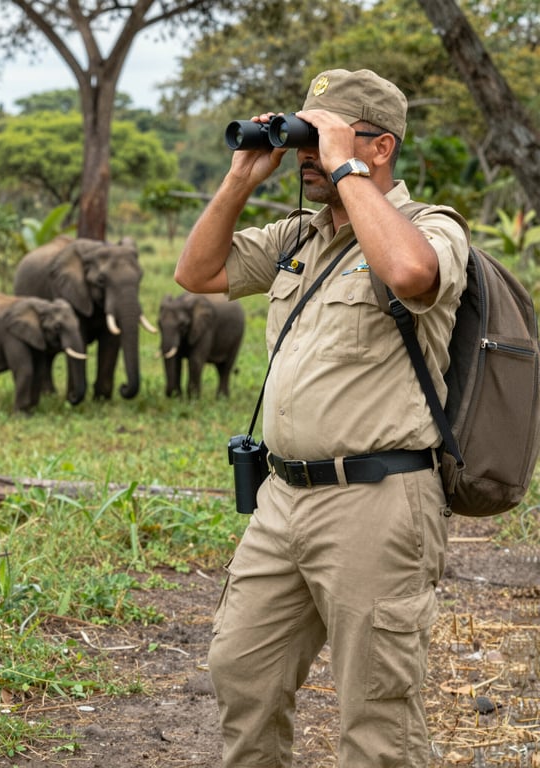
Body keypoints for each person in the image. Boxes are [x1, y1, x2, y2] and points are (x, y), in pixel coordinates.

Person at [174, 68, 470, 767]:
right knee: (240, 668)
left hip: (378, 501)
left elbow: (409, 275)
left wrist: (344, 169)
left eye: (324, 135)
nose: (306, 153)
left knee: (376, 714)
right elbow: (198, 273)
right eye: (303, 134)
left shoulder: (431, 227)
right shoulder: (297, 238)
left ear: (381, 147)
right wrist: (245, 175)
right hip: (282, 500)